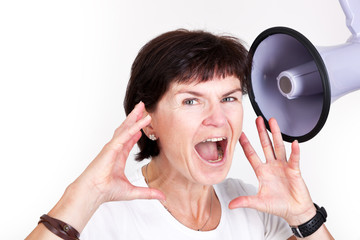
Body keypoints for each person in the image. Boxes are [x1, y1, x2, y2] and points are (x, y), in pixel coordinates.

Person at [26, 29, 334, 240]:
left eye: (228, 98)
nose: (217, 118)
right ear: (147, 122)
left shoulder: (250, 205)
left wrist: (304, 215)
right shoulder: (102, 215)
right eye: (191, 101)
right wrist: (83, 194)